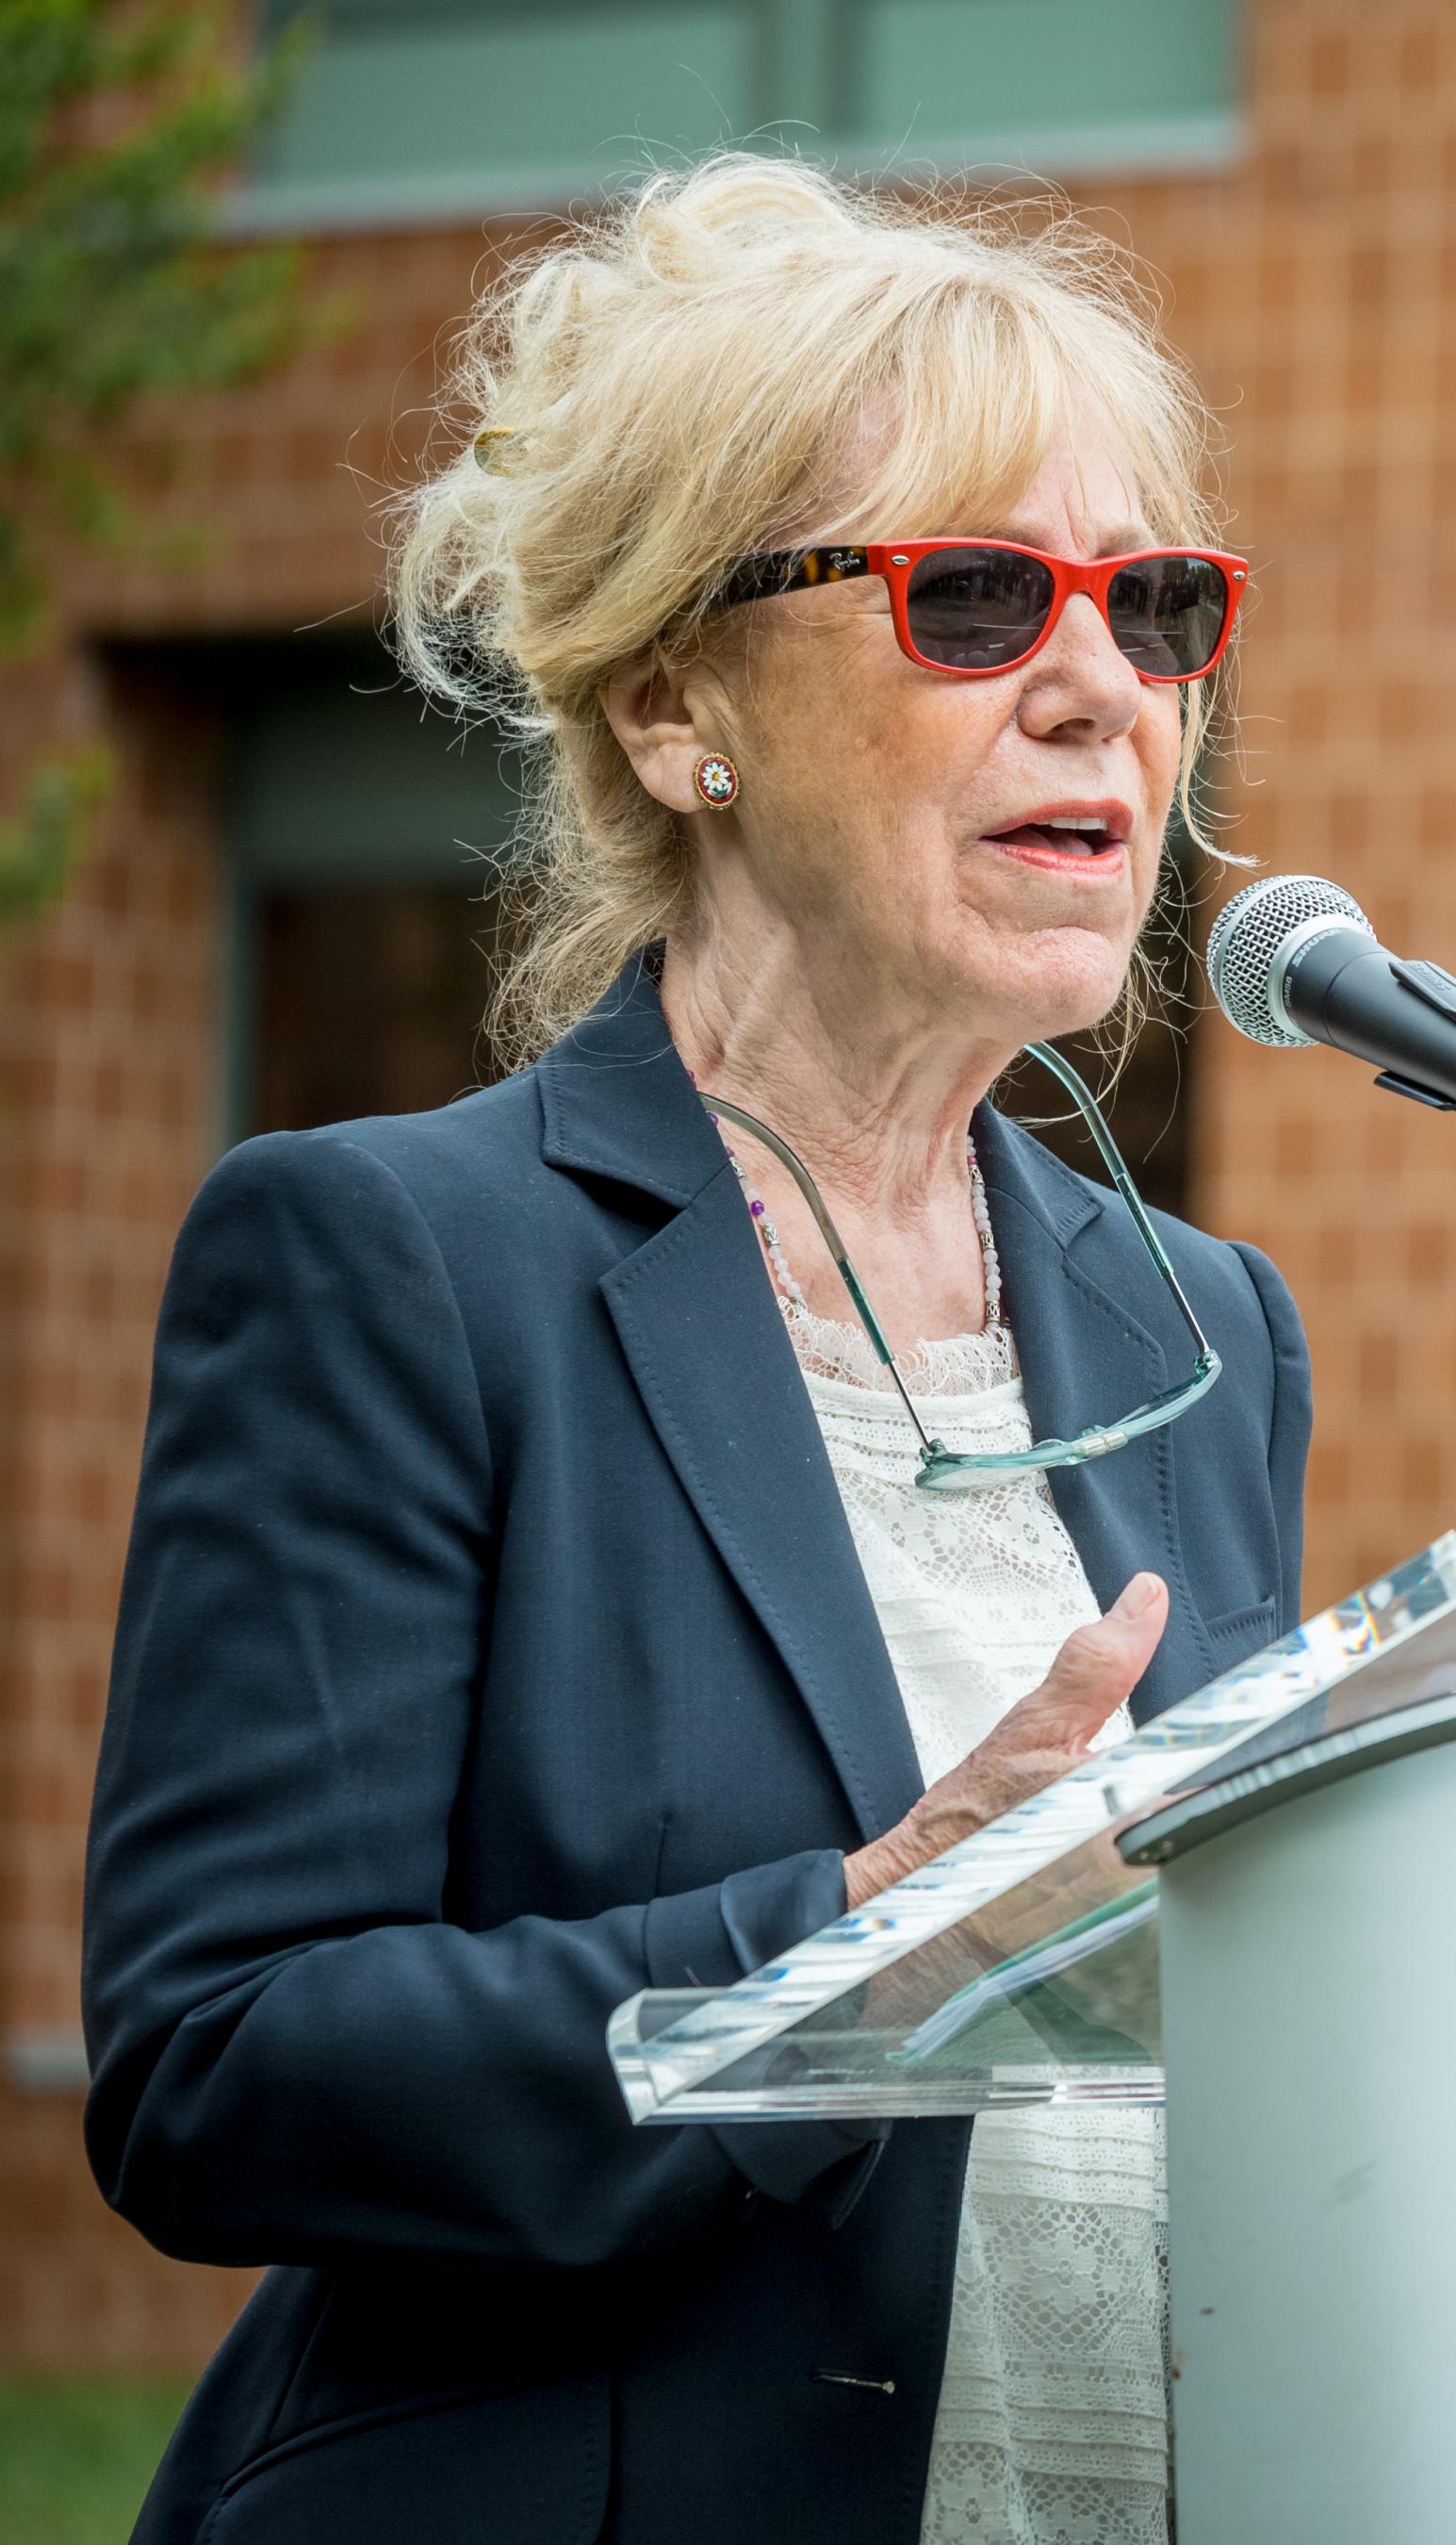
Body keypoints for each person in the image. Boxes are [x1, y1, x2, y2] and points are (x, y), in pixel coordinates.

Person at [79, 157, 1309, 2545]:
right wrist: (862, 1943)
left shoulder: (1208, 1332)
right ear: (673, 709)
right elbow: (218, 2066)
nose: (1100, 686)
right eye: (974, 596)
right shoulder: (395, 1265)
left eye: (1156, 606)